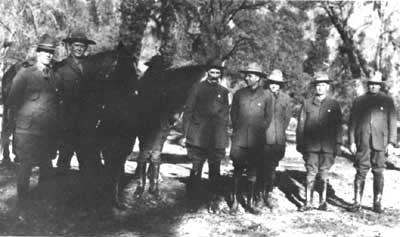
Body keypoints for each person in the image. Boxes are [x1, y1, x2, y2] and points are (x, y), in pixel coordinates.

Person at [6, 34, 60, 204]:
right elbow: (12, 101)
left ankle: (41, 203)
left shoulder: (54, 76)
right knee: (26, 166)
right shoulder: (25, 74)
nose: (48, 55)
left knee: (46, 166)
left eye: (51, 52)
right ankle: (22, 204)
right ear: (38, 53)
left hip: (46, 131)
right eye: (44, 52)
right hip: (27, 131)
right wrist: (15, 128)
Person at [183, 59, 230, 213]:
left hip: (216, 138)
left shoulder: (223, 92)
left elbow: (225, 116)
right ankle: (192, 201)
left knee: (214, 170)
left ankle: (212, 202)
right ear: (207, 72)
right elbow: (188, 111)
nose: (215, 75)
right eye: (212, 72)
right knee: (196, 169)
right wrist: (186, 134)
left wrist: (223, 138)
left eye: (217, 72)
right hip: (198, 136)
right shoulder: (197, 88)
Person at [348, 71, 397, 213]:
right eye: (371, 84)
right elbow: (352, 123)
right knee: (361, 170)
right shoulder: (359, 101)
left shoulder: (387, 101)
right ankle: (357, 202)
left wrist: (391, 143)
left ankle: (377, 203)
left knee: (379, 171)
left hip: (381, 142)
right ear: (368, 85)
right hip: (362, 142)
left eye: (376, 84)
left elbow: (392, 123)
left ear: (380, 85)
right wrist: (352, 141)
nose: (373, 87)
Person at [229, 62, 272, 214]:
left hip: (256, 141)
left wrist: (258, 131)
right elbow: (233, 115)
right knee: (237, 170)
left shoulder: (267, 96)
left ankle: (250, 202)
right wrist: (239, 130)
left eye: (251, 75)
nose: (248, 77)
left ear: (259, 78)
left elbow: (268, 118)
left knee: (253, 172)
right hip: (240, 139)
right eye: (247, 75)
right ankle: (234, 201)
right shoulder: (239, 94)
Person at [296, 72, 342, 211]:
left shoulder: (334, 104)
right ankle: (308, 202)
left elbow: (338, 126)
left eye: (323, 85)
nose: (320, 88)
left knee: (324, 173)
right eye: (318, 85)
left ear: (327, 87)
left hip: (328, 146)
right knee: (310, 172)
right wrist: (300, 143)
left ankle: (323, 201)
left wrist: (338, 144)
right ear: (314, 87)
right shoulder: (307, 103)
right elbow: (301, 125)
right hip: (311, 145)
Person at [55, 30, 97, 173]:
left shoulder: (92, 67)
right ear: (70, 47)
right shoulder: (60, 67)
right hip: (67, 122)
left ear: (85, 48)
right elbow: (55, 95)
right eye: (76, 45)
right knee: (64, 157)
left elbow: (98, 93)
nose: (79, 48)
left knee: (85, 159)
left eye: (82, 46)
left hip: (86, 123)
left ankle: (83, 193)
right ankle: (59, 192)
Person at [257, 69, 292, 209]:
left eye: (277, 83)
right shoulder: (262, 95)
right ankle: (258, 195)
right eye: (272, 83)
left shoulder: (285, 98)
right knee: (261, 167)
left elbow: (287, 118)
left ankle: (268, 193)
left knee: (272, 168)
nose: (274, 86)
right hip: (263, 138)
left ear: (280, 85)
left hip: (278, 139)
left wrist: (280, 133)